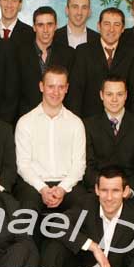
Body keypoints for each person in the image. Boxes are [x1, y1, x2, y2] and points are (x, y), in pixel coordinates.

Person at [15, 66, 86, 212]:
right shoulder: (25, 122)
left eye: (61, 87)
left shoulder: (76, 123)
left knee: (84, 207)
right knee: (26, 211)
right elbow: (23, 165)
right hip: (34, 185)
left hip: (67, 185)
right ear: (41, 87)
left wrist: (62, 188)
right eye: (51, 86)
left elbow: (79, 165)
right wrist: (42, 189)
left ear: (67, 88)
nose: (56, 92)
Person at [84, 76, 134, 202]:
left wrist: (128, 190)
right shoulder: (88, 125)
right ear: (101, 95)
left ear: (126, 95)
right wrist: (104, 190)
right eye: (109, 94)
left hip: (132, 194)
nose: (114, 99)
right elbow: (87, 166)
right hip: (98, 193)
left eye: (119, 94)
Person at [69, 7, 134, 118]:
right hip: (90, 122)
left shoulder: (132, 53)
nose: (111, 29)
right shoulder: (83, 51)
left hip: (123, 123)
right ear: (98, 26)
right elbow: (76, 92)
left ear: (123, 28)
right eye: (107, 24)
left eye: (117, 25)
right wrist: (76, 122)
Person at [17, 6, 75, 117]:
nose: (45, 30)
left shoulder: (69, 54)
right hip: (27, 118)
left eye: (49, 24)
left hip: (59, 117)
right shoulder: (19, 53)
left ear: (56, 26)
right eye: (40, 25)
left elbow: (71, 92)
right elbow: (13, 92)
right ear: (34, 27)